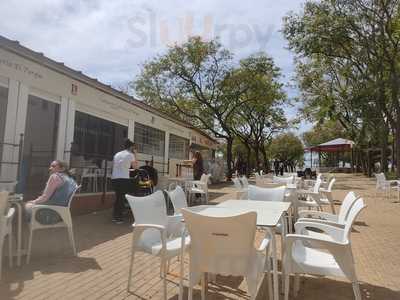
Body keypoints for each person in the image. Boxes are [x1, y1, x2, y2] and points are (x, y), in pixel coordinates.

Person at [25, 160, 77, 224]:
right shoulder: (71, 179)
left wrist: (33, 201)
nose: (50, 168)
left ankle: (32, 226)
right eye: (50, 166)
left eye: (53, 166)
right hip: (63, 213)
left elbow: (45, 197)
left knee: (27, 205)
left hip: (51, 213)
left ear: (62, 168)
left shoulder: (55, 177)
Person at [111, 139, 138, 224]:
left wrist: (126, 168)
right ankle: (118, 217)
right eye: (133, 147)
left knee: (118, 197)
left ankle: (116, 215)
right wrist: (135, 155)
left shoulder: (117, 154)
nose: (134, 149)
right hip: (123, 179)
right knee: (121, 198)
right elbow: (135, 167)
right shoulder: (130, 155)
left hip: (114, 178)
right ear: (131, 147)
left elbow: (117, 166)